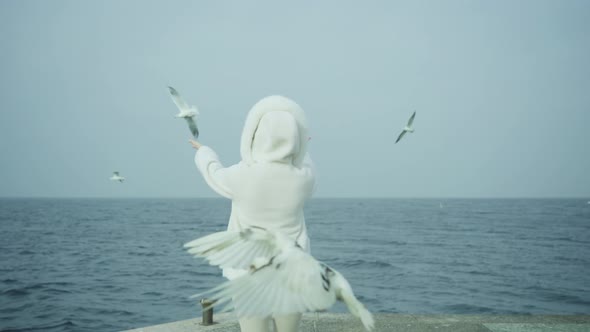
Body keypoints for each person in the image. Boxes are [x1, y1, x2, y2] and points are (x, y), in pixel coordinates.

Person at [189, 95, 315, 332]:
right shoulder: (302, 179)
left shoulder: (240, 176)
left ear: (255, 136)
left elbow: (212, 172)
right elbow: (306, 163)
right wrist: (302, 146)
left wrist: (205, 151)